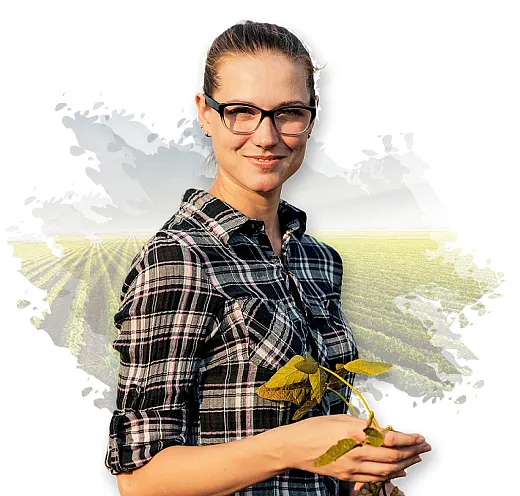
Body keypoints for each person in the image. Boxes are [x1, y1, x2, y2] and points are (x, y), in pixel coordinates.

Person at [104, 20, 431, 496]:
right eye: (241, 111)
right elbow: (140, 481)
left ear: (311, 119)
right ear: (205, 113)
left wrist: (361, 468)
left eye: (288, 113)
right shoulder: (179, 258)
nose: (265, 136)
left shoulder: (318, 260)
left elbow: (315, 433)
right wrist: (294, 447)